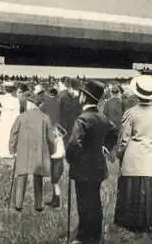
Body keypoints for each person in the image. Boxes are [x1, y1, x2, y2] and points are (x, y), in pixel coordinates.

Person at [66, 80, 118, 244]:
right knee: (94, 200)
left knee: (84, 202)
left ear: (84, 97)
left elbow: (74, 143)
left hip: (83, 168)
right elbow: (114, 132)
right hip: (98, 166)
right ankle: (94, 234)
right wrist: (106, 148)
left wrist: (71, 157)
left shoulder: (82, 119)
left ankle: (85, 236)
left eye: (81, 94)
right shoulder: (103, 118)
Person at [114, 75, 152, 237]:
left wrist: (120, 154)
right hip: (151, 156)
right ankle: (149, 223)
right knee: (149, 190)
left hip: (133, 156)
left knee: (131, 189)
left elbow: (124, 138)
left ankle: (131, 223)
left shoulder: (131, 113)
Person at [9, 92, 55, 212]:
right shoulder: (45, 118)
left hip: (23, 151)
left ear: (30, 103)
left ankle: (18, 204)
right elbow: (51, 138)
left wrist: (12, 150)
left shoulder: (21, 117)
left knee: (21, 176)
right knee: (38, 177)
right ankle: (38, 205)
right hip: (39, 152)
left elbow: (14, 134)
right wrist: (52, 151)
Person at [0, 81, 20, 158]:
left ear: (5, 89)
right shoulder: (16, 99)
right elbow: (17, 111)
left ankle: (2, 151)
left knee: (3, 132)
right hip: (11, 115)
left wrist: (1, 109)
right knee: (11, 132)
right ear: (13, 89)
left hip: (5, 115)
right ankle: (10, 151)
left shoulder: (1, 97)